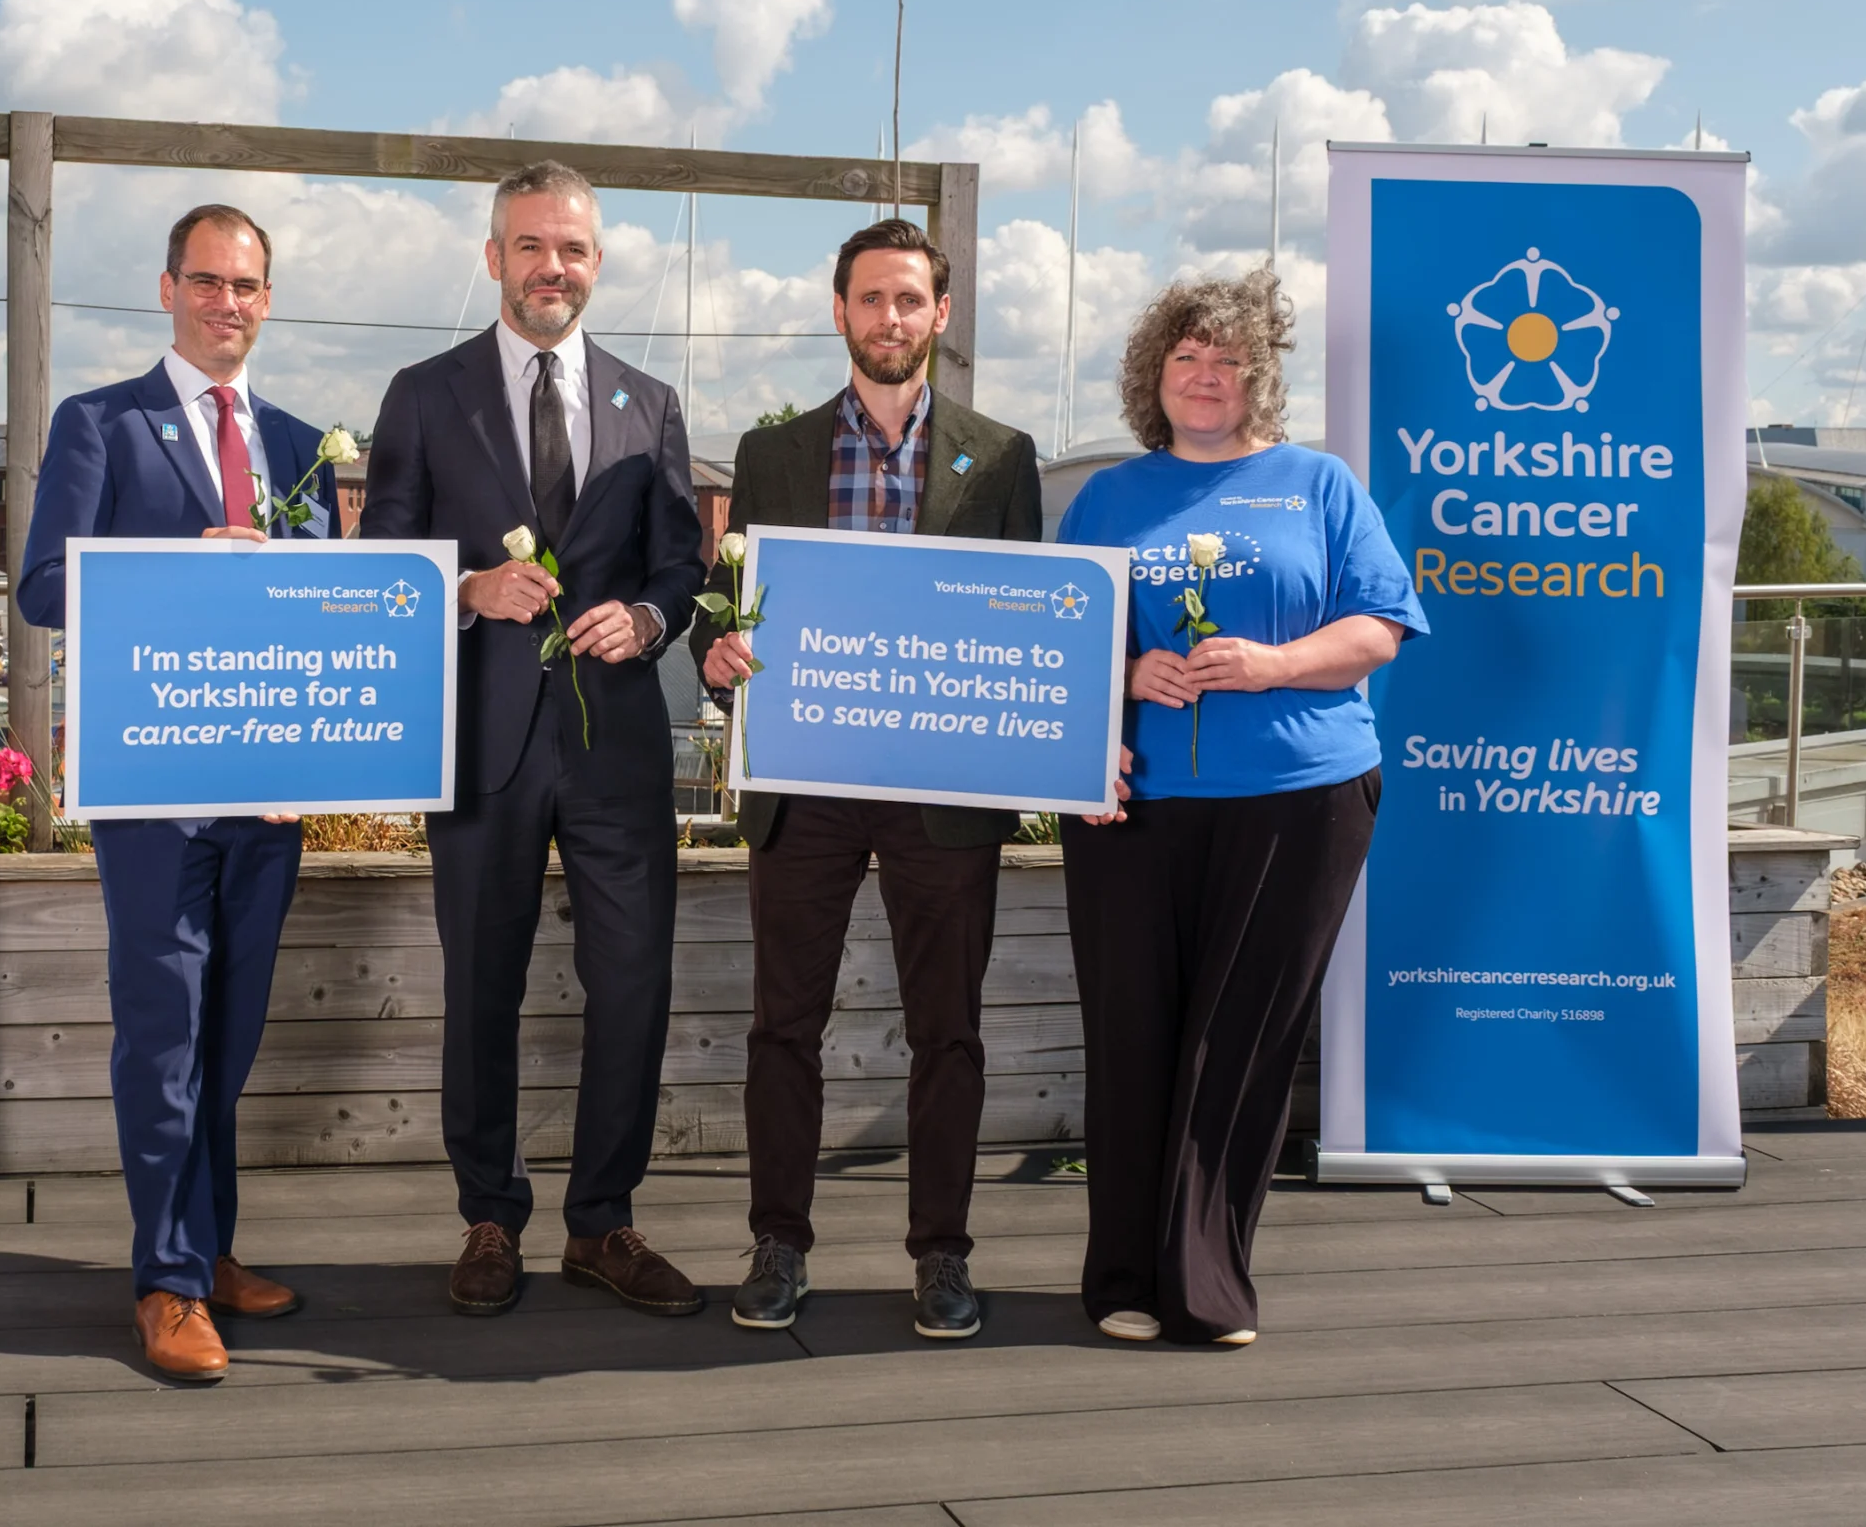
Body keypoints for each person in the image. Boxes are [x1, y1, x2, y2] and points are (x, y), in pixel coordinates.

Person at [1054, 266, 1426, 1347]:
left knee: (1243, 1042)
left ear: (1256, 377)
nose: (1204, 375)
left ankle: (1204, 1283)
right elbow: (1044, 640)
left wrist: (1270, 664)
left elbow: (1377, 628)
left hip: (1300, 800)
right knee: (1131, 1034)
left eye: (1225, 360)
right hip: (1131, 807)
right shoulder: (1106, 498)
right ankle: (1121, 1277)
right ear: (1152, 376)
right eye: (1184, 357)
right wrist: (1125, 680)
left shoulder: (1317, 484)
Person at [360, 160, 707, 1317]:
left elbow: (681, 565)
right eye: (528, 245)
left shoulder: (648, 402)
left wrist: (650, 617)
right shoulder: (422, 393)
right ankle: (487, 1218)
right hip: (479, 741)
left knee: (632, 986)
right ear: (493, 254)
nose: (549, 267)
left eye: (571, 250)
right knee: (482, 990)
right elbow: (381, 562)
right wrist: (466, 590)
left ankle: (602, 1223)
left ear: (595, 265)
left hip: (616, 747)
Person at [692, 216, 1044, 1341]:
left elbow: (1029, 627)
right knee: (780, 1026)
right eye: (868, 299)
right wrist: (716, 651)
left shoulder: (1000, 458)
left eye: (908, 301)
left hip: (944, 797)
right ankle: (777, 1242)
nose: (887, 319)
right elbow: (721, 603)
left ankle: (940, 1254)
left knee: (948, 1031)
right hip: (803, 783)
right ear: (837, 310)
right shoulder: (771, 455)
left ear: (938, 316)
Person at [16, 203, 337, 1383]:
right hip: (152, 787)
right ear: (165, 290)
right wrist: (177, 568)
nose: (226, 304)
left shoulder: (303, 445)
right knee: (162, 1032)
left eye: (246, 286)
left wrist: (317, 757)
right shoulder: (100, 423)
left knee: (231, 1032)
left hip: (266, 794)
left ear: (267, 298)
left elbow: (323, 622)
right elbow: (42, 588)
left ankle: (206, 1251)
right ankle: (162, 1284)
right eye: (205, 282)